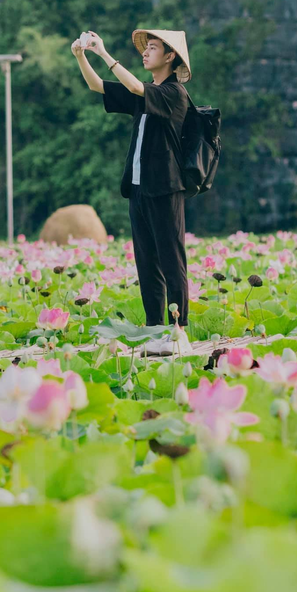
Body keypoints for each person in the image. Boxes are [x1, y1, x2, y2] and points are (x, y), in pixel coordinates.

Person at [71, 28, 194, 356]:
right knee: (146, 262)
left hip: (165, 189)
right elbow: (97, 86)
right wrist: (81, 56)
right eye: (146, 48)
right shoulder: (143, 93)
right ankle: (156, 330)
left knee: (171, 260)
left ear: (170, 56)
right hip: (138, 189)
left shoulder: (173, 93)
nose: (145, 53)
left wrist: (104, 53)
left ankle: (179, 331)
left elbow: (136, 86)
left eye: (152, 48)